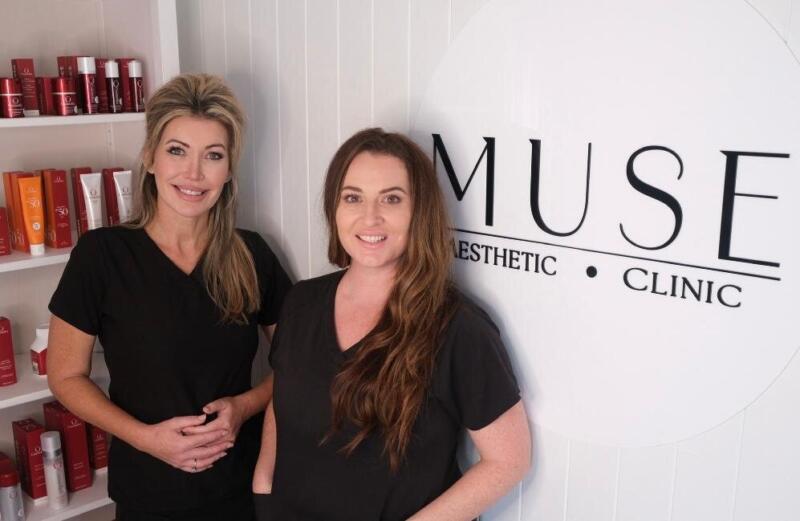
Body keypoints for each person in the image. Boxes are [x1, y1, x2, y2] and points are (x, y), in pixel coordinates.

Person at [252, 128, 531, 520]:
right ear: (334, 208)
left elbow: (509, 461)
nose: (370, 217)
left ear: (420, 212)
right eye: (353, 197)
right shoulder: (301, 302)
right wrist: (264, 485)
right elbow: (282, 402)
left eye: (392, 199)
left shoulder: (458, 328)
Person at [47, 74, 291, 521]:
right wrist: (145, 439)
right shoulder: (102, 255)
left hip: (241, 488)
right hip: (147, 492)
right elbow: (64, 376)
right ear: (150, 157)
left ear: (229, 170)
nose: (194, 173)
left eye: (213, 155)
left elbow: (300, 361)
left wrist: (245, 406)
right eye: (177, 150)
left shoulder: (253, 254)